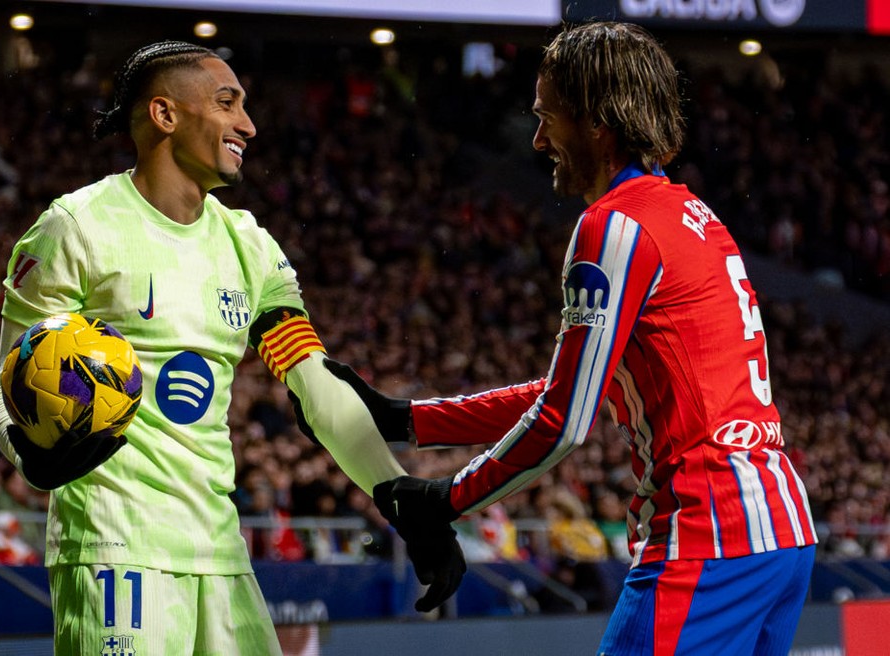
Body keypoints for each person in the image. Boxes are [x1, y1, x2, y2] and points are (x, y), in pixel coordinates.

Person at [326, 21, 818, 655]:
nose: (536, 139)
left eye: (546, 117)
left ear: (596, 121)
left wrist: (445, 501)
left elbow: (564, 419)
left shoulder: (612, 227)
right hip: (778, 531)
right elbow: (584, 388)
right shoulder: (691, 214)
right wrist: (410, 421)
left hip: (709, 531)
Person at [0, 41, 463, 656]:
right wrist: (30, 454)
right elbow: (8, 383)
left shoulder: (250, 246)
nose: (249, 124)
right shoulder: (76, 227)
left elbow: (315, 384)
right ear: (165, 115)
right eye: (227, 103)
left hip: (220, 548)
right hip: (115, 546)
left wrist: (397, 495)